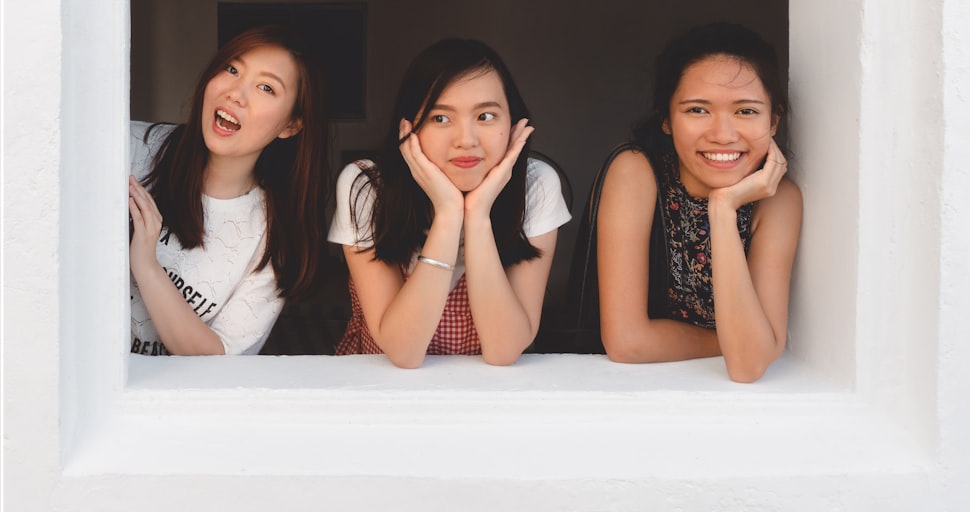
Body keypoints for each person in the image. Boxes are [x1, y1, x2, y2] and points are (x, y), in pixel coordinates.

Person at [330, 39, 571, 367]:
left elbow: (504, 350)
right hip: (380, 392)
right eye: (440, 118)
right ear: (409, 129)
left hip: (487, 395)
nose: (466, 140)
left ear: (513, 125)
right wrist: (447, 214)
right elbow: (403, 351)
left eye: (486, 116)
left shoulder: (536, 185)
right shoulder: (367, 187)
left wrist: (478, 215)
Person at [596, 22, 802, 381]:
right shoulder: (636, 172)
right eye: (697, 110)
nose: (723, 135)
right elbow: (627, 342)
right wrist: (743, 341)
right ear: (666, 120)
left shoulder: (778, 199)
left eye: (746, 111)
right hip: (632, 394)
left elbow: (747, 367)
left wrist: (722, 211)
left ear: (774, 121)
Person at [128, 24, 330, 356]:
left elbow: (218, 359)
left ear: (291, 125)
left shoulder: (272, 239)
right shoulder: (134, 148)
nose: (236, 93)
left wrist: (146, 266)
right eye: (232, 69)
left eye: (266, 87)